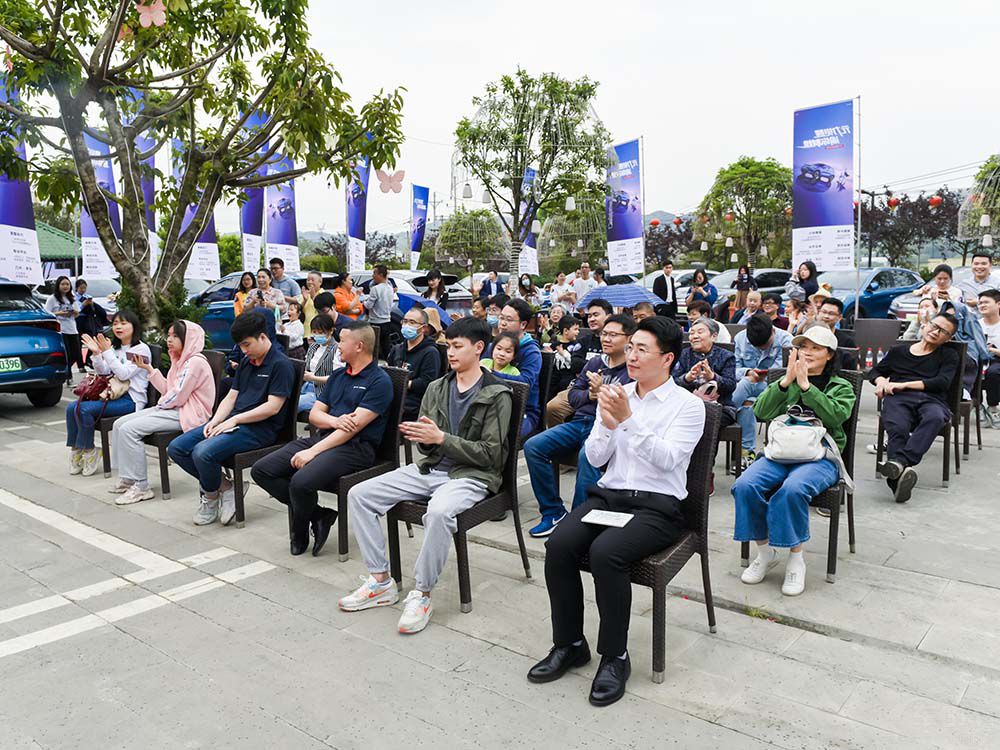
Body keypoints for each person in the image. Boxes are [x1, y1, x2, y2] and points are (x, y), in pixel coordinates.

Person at [527, 316, 704, 707]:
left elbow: (668, 460)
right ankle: (570, 643)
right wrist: (606, 426)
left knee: (608, 553)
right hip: (609, 497)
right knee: (559, 545)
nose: (632, 356)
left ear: (668, 358)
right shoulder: (617, 390)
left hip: (657, 506)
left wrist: (627, 420)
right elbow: (594, 456)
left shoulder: (688, 407)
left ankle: (615, 656)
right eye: (632, 347)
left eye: (643, 349)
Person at [339, 316, 513, 634]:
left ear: (478, 348)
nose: (451, 352)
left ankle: (422, 592)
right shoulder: (437, 388)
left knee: (439, 512)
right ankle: (380, 581)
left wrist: (442, 439)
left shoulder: (497, 394)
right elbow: (428, 441)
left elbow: (491, 456)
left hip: (472, 476)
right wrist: (424, 437)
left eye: (458, 347)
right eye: (449, 346)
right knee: (359, 494)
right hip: (430, 468)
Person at [733, 325, 856, 597]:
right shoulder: (784, 379)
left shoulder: (842, 385)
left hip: (821, 456)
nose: (808, 353)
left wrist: (806, 387)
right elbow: (762, 412)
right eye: (803, 347)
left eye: (816, 348)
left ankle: (796, 559)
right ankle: (766, 552)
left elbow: (836, 417)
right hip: (780, 452)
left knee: (792, 490)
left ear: (830, 355)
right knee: (744, 485)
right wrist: (784, 383)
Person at [251, 322, 392, 556]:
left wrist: (313, 451)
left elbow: (352, 429)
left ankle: (299, 531)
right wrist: (334, 422)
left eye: (342, 340)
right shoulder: (338, 376)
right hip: (324, 437)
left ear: (358, 346)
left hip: (356, 449)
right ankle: (318, 515)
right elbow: (315, 415)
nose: (337, 345)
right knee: (262, 470)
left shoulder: (379, 381)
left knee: (300, 482)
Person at [168, 312, 295, 526]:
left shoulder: (280, 365)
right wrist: (215, 421)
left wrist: (235, 421)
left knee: (203, 452)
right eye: (241, 346)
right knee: (177, 448)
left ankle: (210, 497)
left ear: (263, 337)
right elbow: (231, 396)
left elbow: (273, 407)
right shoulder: (247, 362)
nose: (244, 351)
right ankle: (226, 487)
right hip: (233, 423)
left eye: (247, 344)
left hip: (260, 430)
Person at [524, 313, 635, 538]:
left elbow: (629, 408)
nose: (606, 338)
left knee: (589, 456)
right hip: (580, 421)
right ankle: (553, 511)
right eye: (604, 333)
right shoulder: (595, 363)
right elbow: (573, 396)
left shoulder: (633, 370)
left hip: (608, 428)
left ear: (629, 339)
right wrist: (592, 395)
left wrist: (601, 393)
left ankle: (578, 521)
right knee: (533, 446)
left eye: (613, 335)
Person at [109, 321, 215, 505]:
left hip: (188, 414)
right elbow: (169, 390)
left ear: (188, 339)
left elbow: (178, 396)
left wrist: (160, 405)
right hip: (174, 408)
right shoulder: (179, 359)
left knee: (129, 430)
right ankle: (128, 478)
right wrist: (149, 369)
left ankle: (141, 486)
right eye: (169, 335)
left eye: (175, 336)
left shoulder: (195, 362)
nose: (169, 340)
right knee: (119, 424)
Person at [871, 312, 960, 503]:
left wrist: (903, 384)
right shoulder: (899, 351)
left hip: (932, 400)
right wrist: (880, 383)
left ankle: (899, 463)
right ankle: (898, 479)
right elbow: (876, 371)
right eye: (935, 326)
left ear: (949, 338)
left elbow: (942, 382)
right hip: (899, 399)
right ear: (925, 324)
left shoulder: (949, 355)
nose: (936, 332)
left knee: (935, 418)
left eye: (943, 331)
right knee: (898, 427)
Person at [67, 310, 151, 477]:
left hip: (131, 400)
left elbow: (123, 374)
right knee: (71, 407)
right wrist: (97, 354)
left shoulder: (141, 349)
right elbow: (104, 372)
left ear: (134, 326)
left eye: (123, 323)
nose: (118, 327)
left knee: (84, 410)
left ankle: (90, 451)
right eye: (115, 323)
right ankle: (77, 449)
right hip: (112, 395)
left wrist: (106, 352)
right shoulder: (116, 348)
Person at [732, 313, 793, 468]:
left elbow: (785, 373)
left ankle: (726, 415)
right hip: (749, 391)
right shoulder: (740, 338)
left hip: (775, 390)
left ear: (773, 331)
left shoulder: (786, 340)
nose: (761, 349)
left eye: (765, 345)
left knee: (745, 385)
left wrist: (761, 377)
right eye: (756, 347)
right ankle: (746, 453)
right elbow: (733, 368)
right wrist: (747, 372)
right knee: (748, 405)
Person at [490, 298, 543, 436]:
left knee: (496, 432)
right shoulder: (493, 345)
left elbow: (525, 382)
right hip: (492, 404)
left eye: (509, 319)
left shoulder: (531, 352)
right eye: (501, 318)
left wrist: (491, 374)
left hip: (522, 411)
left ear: (523, 324)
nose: (502, 323)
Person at [387, 307, 443, 421]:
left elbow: (427, 383)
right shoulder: (398, 349)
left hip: (413, 405)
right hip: (394, 397)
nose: (407, 325)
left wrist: (403, 382)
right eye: (405, 321)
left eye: (412, 322)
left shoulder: (430, 352)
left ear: (423, 328)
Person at [674, 318, 737, 404]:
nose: (695, 336)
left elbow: (731, 386)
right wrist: (686, 378)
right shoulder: (682, 354)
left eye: (700, 332)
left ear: (713, 336)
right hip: (686, 404)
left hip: (719, 406)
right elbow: (672, 383)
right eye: (692, 333)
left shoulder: (727, 356)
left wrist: (713, 377)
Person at [298, 314, 342, 415]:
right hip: (305, 386)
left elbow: (336, 378)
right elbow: (305, 366)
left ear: (331, 331)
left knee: (293, 404)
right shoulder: (313, 346)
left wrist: (313, 378)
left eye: (321, 332)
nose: (317, 335)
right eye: (314, 332)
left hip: (322, 392)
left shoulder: (337, 349)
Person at [46, 275, 82, 380]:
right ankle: (68, 377)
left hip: (72, 329)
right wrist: (59, 313)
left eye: (67, 284)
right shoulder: (52, 298)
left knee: (76, 354)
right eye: (63, 284)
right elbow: (47, 313)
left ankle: (65, 369)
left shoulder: (72, 298)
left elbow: (77, 314)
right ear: (58, 285)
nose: (65, 286)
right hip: (60, 330)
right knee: (67, 354)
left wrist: (73, 312)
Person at [815, 297, 859, 370]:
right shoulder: (807, 335)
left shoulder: (846, 341)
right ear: (818, 313)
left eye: (831, 314)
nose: (826, 316)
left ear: (839, 317)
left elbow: (855, 368)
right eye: (824, 312)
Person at [978, 289, 1000, 427]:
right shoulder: (976, 324)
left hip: (997, 359)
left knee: (994, 372)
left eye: (986, 302)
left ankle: (992, 407)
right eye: (980, 303)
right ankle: (977, 406)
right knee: (972, 370)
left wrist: (992, 350)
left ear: (998, 304)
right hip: (979, 359)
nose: (982, 305)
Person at [74, 279, 107, 363]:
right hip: (78, 322)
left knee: (92, 339)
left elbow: (94, 310)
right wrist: (83, 305)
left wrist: (91, 304)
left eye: (84, 288)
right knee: (78, 344)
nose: (83, 290)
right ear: (77, 288)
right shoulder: (74, 298)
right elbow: (76, 310)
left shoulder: (87, 297)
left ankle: (89, 360)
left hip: (88, 322)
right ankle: (80, 364)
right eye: (81, 288)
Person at [364, 264, 394, 358]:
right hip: (387, 321)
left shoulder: (375, 289)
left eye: (374, 273)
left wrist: (363, 302)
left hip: (375, 322)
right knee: (386, 347)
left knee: (373, 348)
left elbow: (369, 305)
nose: (373, 276)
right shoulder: (390, 288)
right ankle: (390, 366)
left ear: (380, 275)